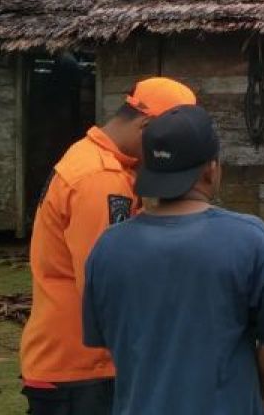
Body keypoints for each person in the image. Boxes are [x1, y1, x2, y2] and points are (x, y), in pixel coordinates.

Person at [83, 104, 264, 415]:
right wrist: (260, 390)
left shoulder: (107, 247)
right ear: (211, 170)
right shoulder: (249, 239)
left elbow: (106, 337)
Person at [20, 77, 197, 414]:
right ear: (147, 126)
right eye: (169, 145)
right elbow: (105, 286)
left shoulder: (94, 159)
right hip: (82, 370)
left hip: (81, 364)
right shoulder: (100, 179)